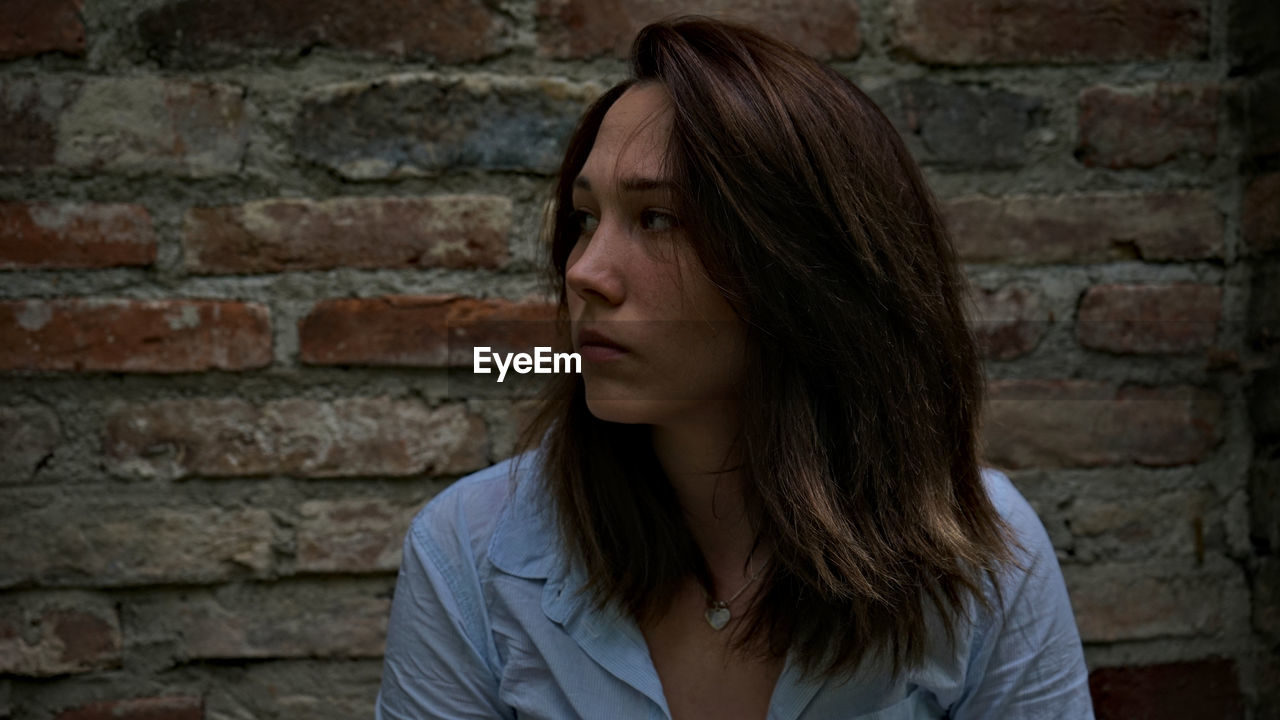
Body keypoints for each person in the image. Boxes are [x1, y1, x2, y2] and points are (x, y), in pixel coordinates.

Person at [376, 16, 1093, 720]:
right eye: (586, 218)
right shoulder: (469, 554)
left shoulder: (982, 553)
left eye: (658, 219)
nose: (585, 273)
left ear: (803, 270)